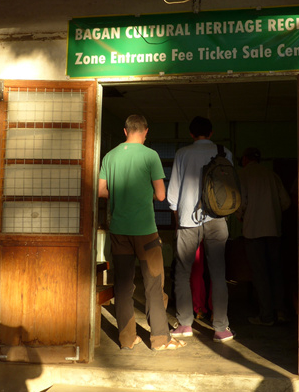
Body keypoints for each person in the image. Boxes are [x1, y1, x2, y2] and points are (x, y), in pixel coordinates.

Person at [98, 115, 186, 351]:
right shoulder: (151, 155)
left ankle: (127, 340)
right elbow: (160, 195)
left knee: (123, 288)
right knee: (154, 286)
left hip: (119, 231)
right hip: (146, 233)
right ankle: (160, 339)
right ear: (145, 131)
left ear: (125, 131)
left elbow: (100, 190)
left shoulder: (110, 156)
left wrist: (119, 195)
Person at [167, 116, 235, 342]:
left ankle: (185, 324)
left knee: (183, 273)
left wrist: (176, 218)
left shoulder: (182, 153)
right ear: (212, 132)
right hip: (217, 218)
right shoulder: (224, 152)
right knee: (218, 274)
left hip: (188, 219)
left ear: (191, 133)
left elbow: (173, 195)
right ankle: (221, 328)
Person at [236, 147, 291, 325]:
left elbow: (240, 203)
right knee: (276, 271)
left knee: (260, 274)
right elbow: (286, 202)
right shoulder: (272, 175)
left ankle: (266, 316)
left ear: (245, 159)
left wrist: (242, 216)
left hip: (253, 231)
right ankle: (280, 311)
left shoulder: (243, 175)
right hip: (274, 230)